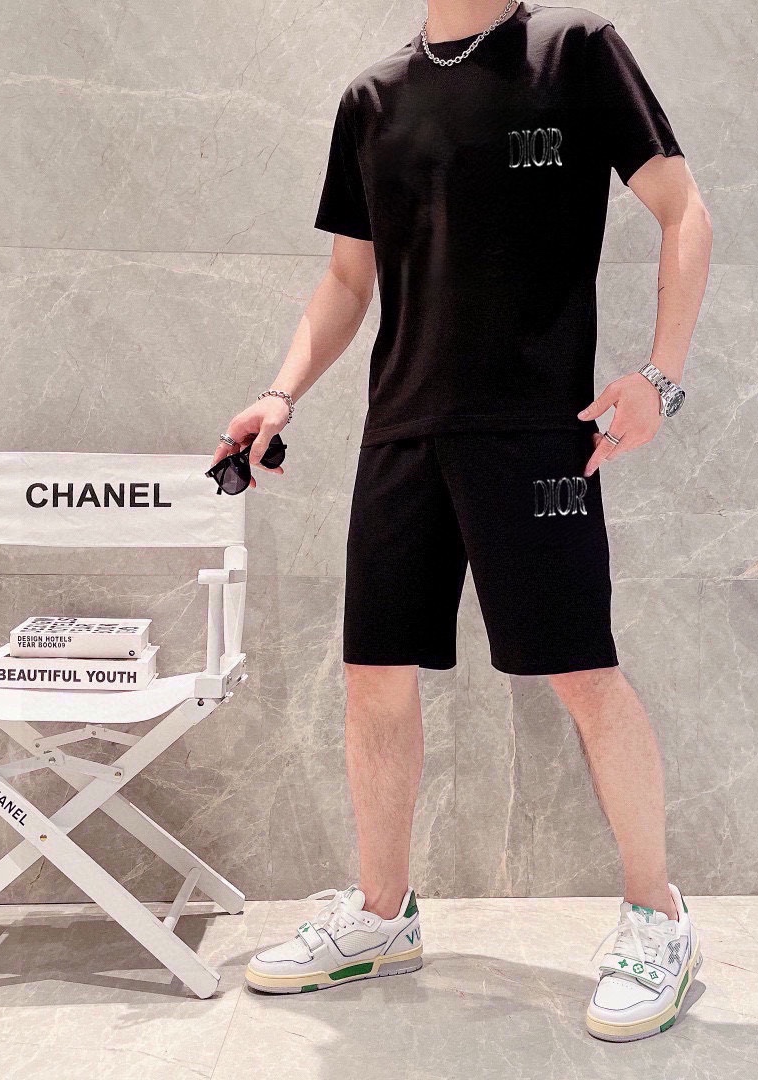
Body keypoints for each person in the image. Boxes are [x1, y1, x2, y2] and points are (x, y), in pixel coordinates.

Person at [211, 0, 712, 1043]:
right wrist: (281, 392)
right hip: (403, 428)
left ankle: (657, 918)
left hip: (537, 431)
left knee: (581, 671)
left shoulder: (573, 53)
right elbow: (348, 277)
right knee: (373, 677)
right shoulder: (374, 98)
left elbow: (682, 208)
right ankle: (382, 916)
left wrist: (660, 378)